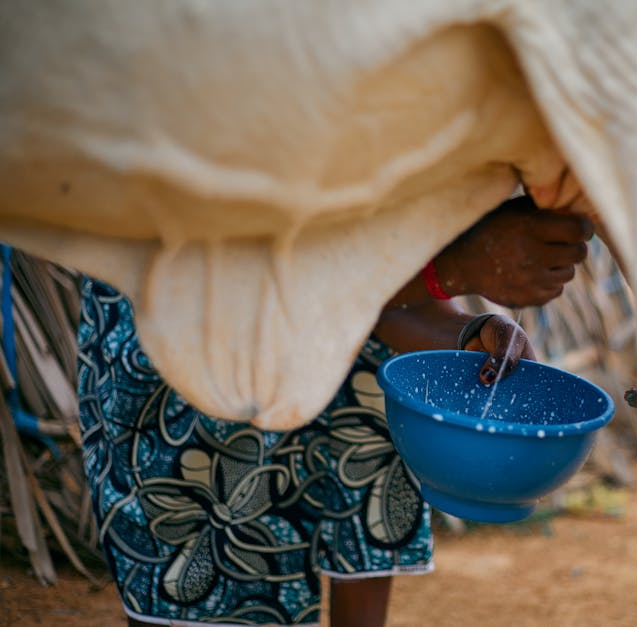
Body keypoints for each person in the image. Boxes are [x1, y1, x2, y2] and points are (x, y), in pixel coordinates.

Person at [77, 195, 593, 627]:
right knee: (202, 565)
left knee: (370, 438)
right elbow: (247, 292)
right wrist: (453, 268)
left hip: (337, 351)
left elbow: (386, 302)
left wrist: (464, 333)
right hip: (204, 337)